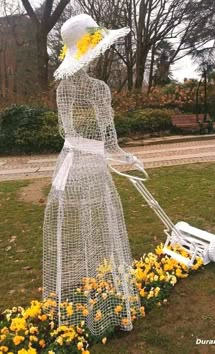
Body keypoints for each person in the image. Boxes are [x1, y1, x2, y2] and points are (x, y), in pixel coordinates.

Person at [43, 14, 143, 336]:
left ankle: (64, 317)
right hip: (93, 170)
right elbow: (110, 140)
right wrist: (130, 158)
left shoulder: (62, 91)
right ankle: (109, 311)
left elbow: (64, 131)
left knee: (67, 234)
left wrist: (88, 146)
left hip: (67, 167)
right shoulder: (99, 90)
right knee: (101, 233)